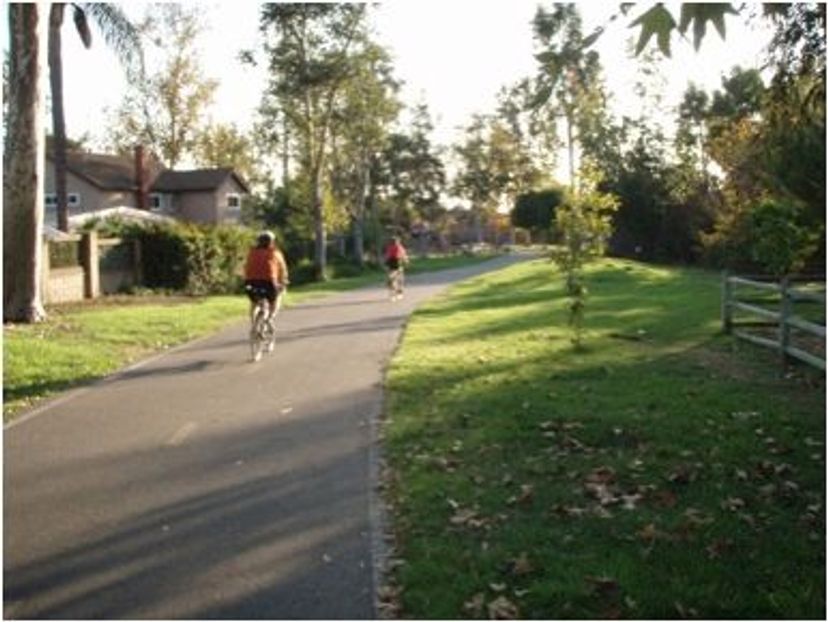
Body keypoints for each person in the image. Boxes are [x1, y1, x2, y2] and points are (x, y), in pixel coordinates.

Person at [244, 230, 289, 326]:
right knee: (276, 298)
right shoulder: (275, 253)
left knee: (254, 302)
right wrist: (283, 282)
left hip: (250, 282)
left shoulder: (251, 252)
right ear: (272, 242)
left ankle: (253, 324)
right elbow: (282, 269)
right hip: (269, 282)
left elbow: (247, 267)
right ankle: (270, 318)